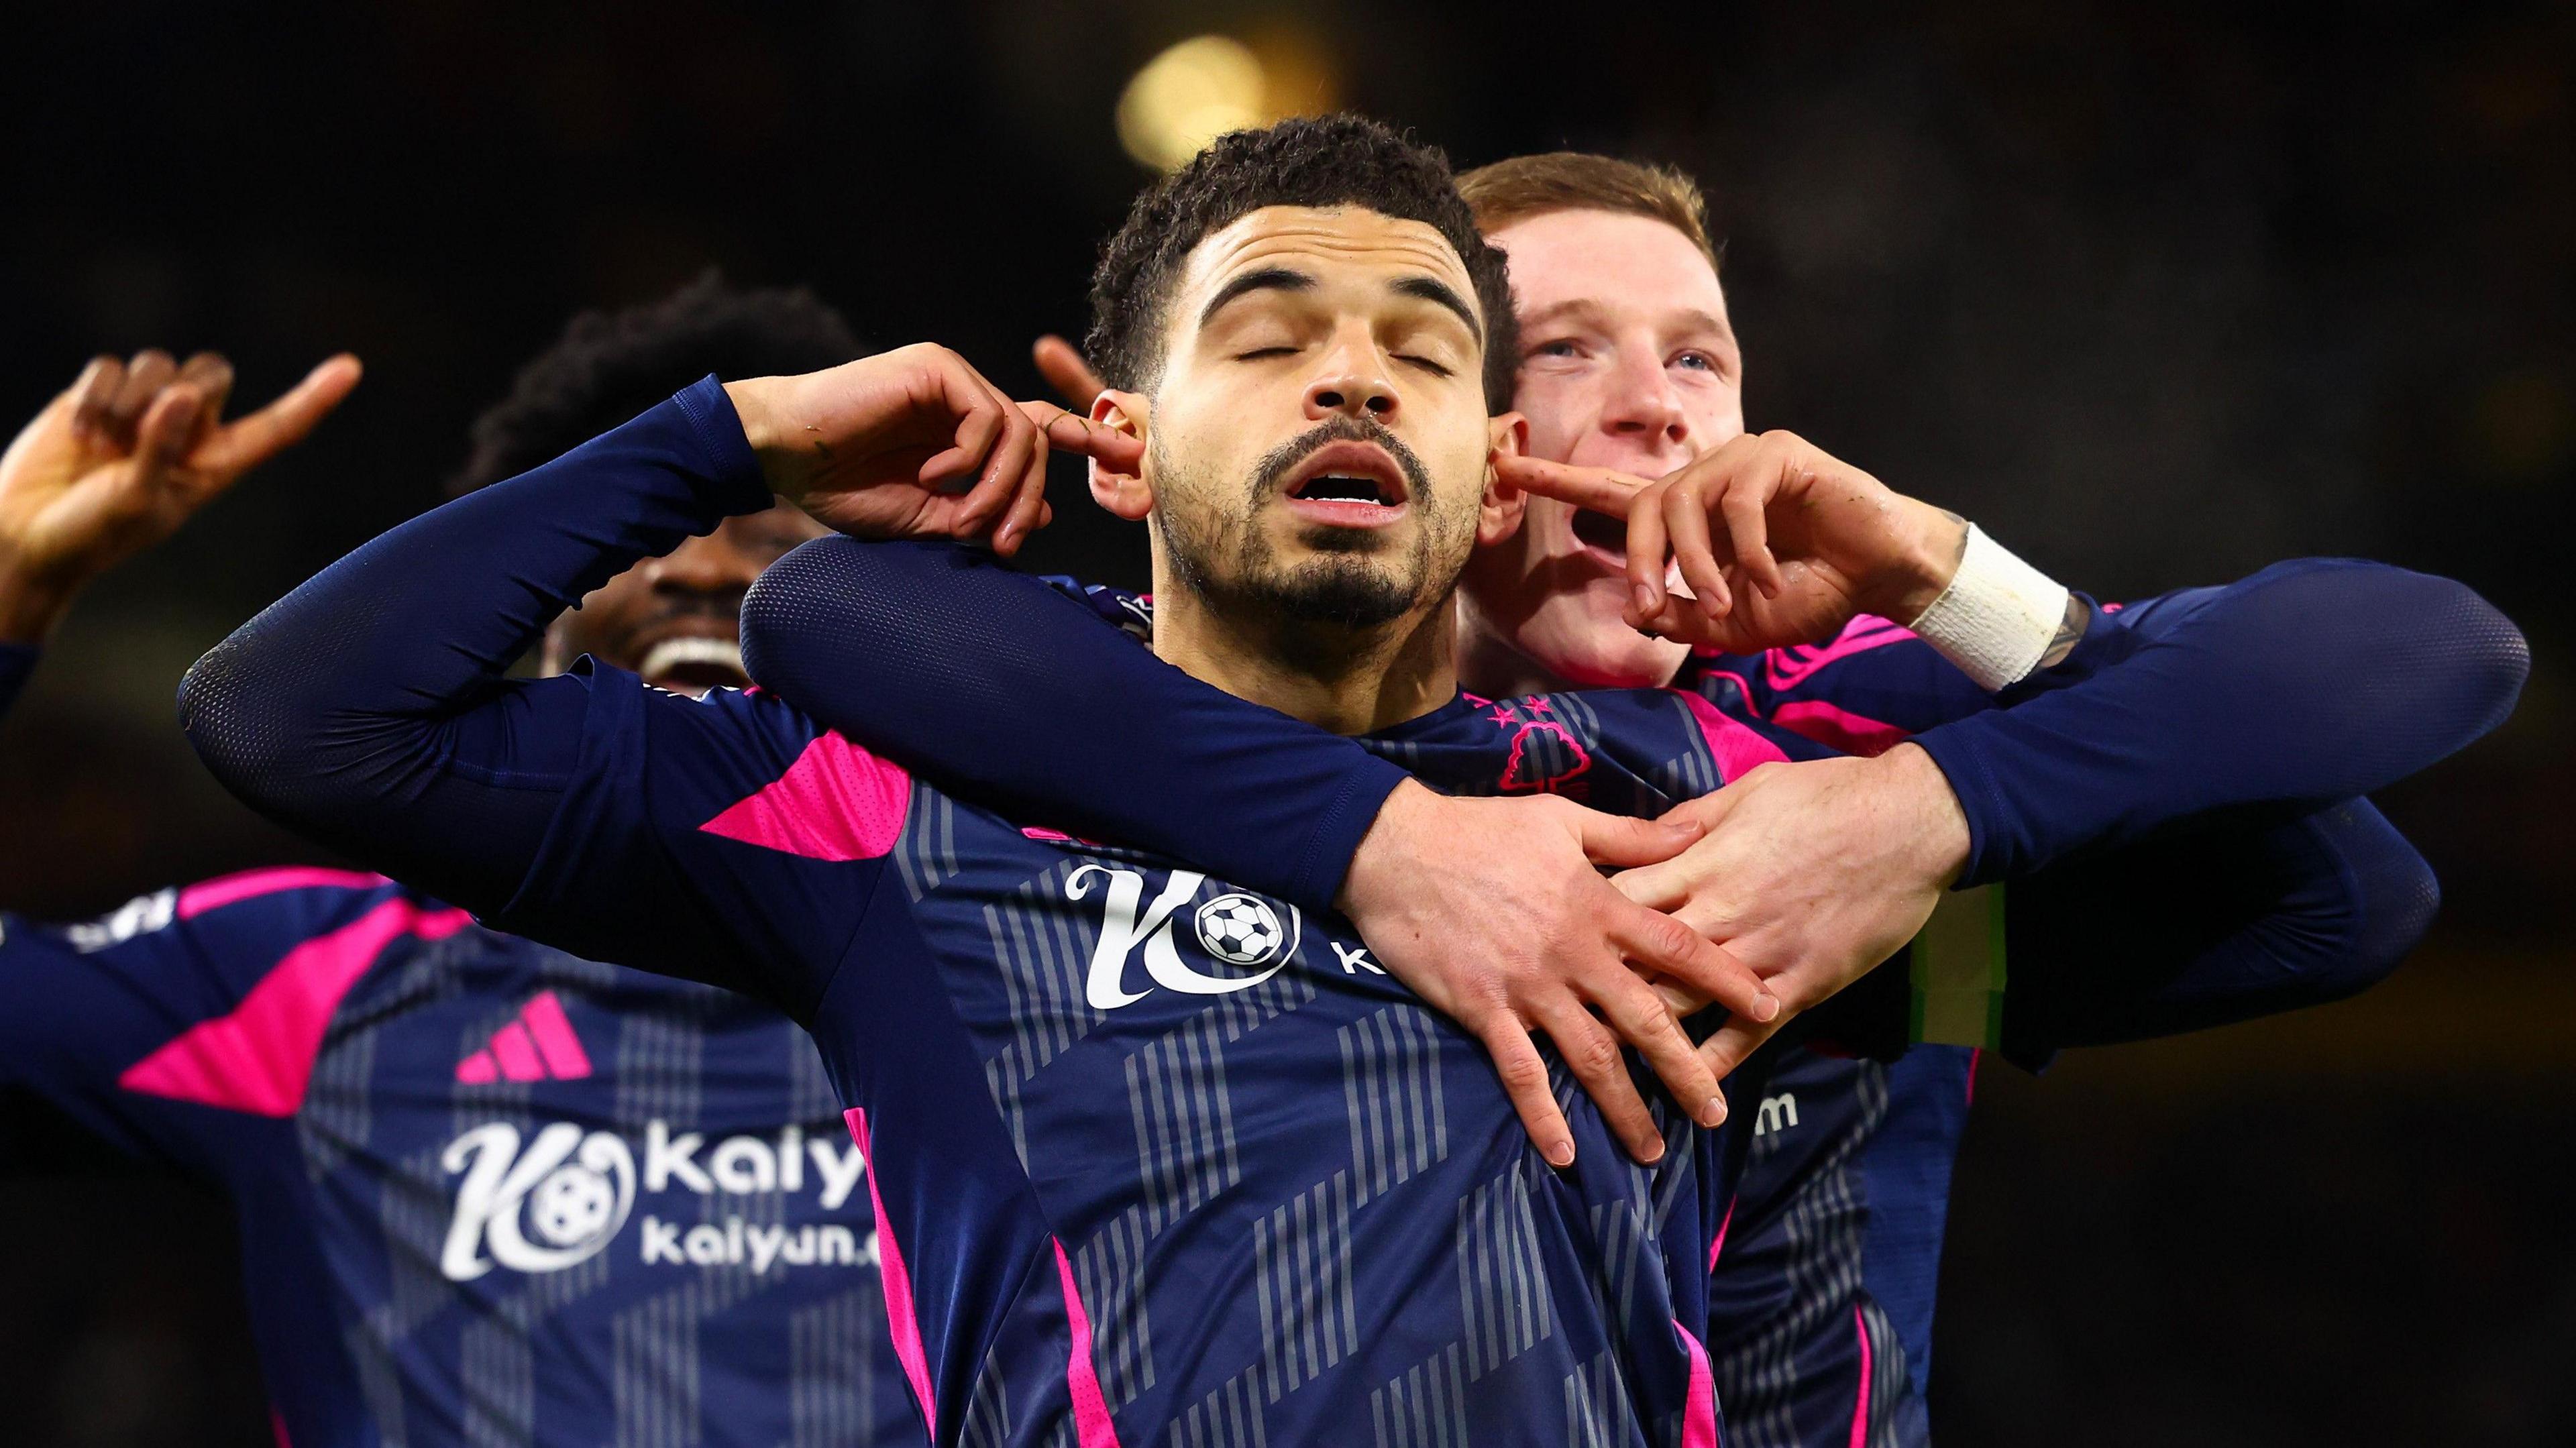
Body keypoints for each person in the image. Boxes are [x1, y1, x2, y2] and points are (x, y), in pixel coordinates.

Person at [181, 115, 2462, 1443]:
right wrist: (731, 434)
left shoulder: (1720, 867)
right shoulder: (894, 807)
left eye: (1429, 351)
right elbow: (313, 716)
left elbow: (2338, 870)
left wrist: (1929, 776)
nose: (1357, 380)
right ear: (1122, 438)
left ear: (1481, 475)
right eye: (1267, 342)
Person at [1, 276, 920, 1446]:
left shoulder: (1016, 971)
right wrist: (12, 581)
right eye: (649, 533)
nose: (699, 569)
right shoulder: (304, 988)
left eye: (775, 536)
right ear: (516, 625)